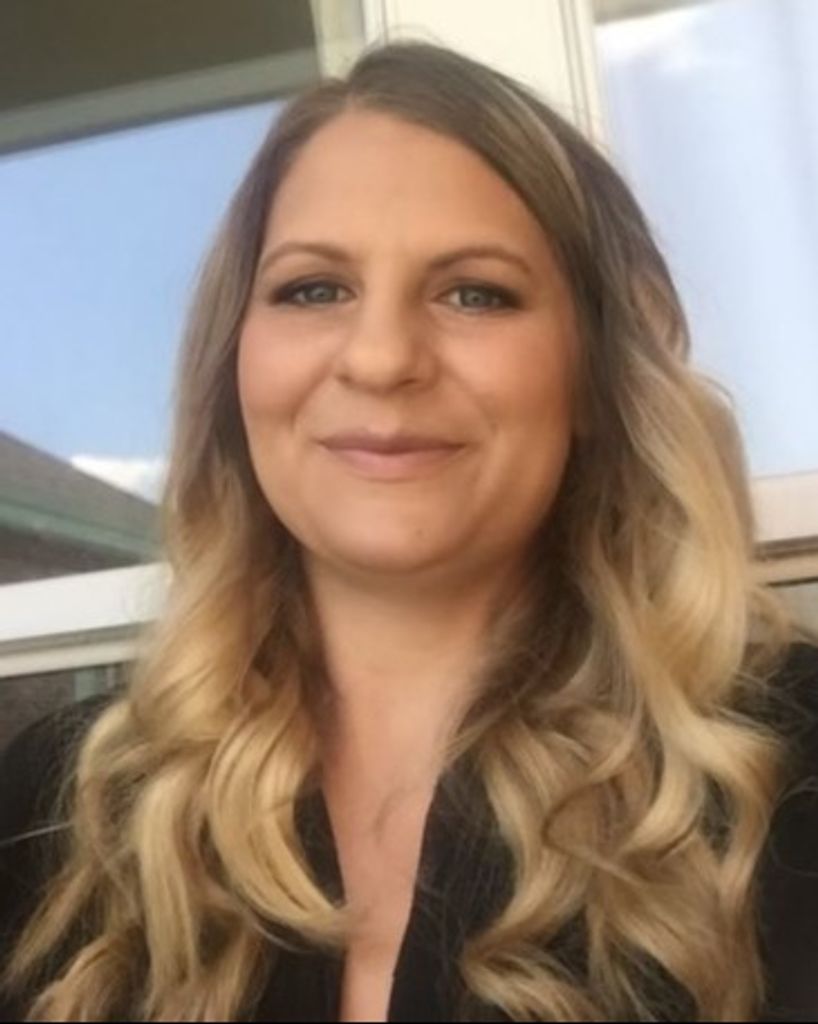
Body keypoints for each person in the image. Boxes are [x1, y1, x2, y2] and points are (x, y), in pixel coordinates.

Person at [1, 40, 817, 1023]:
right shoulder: (57, 805)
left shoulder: (787, 767)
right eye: (314, 289)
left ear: (594, 378)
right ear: (234, 368)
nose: (382, 358)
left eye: (476, 293)